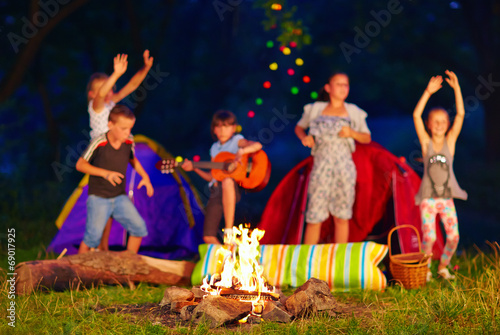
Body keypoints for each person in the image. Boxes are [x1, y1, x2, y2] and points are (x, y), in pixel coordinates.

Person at [86, 50, 153, 250]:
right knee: (101, 205)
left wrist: (146, 68)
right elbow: (100, 95)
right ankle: (94, 249)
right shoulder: (96, 106)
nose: (107, 92)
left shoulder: (112, 103)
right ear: (92, 94)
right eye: (102, 89)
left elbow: (131, 86)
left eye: (110, 88)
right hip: (100, 158)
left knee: (110, 205)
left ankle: (104, 249)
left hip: (116, 156)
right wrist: (115, 74)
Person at [295, 72, 371, 244]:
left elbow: (367, 138)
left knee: (342, 216)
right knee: (314, 216)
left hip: (343, 168)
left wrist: (351, 133)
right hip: (321, 167)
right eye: (339, 84)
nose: (343, 88)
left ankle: (338, 262)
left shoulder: (353, 112)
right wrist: (305, 138)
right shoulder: (315, 109)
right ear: (328, 88)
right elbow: (299, 128)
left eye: (346, 84)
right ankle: (307, 262)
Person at [75, 105, 154, 254]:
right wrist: (106, 174)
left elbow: (132, 159)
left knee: (139, 228)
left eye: (130, 128)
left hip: (119, 196)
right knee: (92, 238)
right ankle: (78, 273)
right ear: (110, 125)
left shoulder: (129, 141)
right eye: (123, 129)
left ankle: (128, 266)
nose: (127, 133)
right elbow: (80, 165)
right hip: (99, 197)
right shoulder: (99, 142)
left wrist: (145, 177)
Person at [413, 70, 467, 281]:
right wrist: (427, 92)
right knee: (430, 236)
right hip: (428, 198)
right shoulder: (426, 144)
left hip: (446, 198)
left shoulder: (449, 143)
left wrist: (457, 89)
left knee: (453, 236)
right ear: (429, 124)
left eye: (443, 121)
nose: (439, 125)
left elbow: (461, 114)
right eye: (435, 121)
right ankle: (425, 269)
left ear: (447, 124)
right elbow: (416, 115)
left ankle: (443, 266)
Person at [181, 110, 263, 244]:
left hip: (233, 188)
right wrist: (194, 168)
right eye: (218, 126)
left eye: (226, 126)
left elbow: (257, 145)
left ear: (233, 128)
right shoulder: (214, 148)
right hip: (216, 192)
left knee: (227, 180)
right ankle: (226, 259)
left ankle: (229, 230)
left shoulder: (237, 141)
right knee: (208, 236)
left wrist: (242, 151)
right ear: (214, 129)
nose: (222, 130)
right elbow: (212, 176)